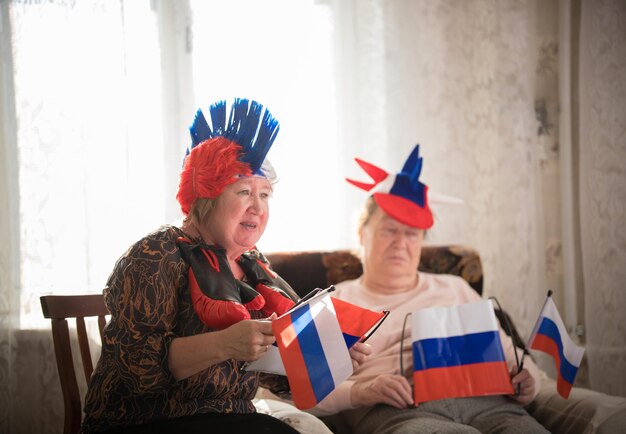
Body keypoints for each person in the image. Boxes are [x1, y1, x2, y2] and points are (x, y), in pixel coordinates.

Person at [81, 99, 366, 434]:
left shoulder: (254, 264)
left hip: (232, 418)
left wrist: (331, 356)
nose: (258, 208)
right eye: (244, 191)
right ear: (205, 198)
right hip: (144, 421)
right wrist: (224, 343)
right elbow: (135, 368)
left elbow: (277, 378)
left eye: (265, 195)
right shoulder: (155, 254)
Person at [311, 144, 550, 434]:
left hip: (490, 402)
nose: (401, 242)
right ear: (362, 233)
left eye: (412, 233)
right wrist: (361, 390)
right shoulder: (335, 301)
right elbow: (297, 394)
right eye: (389, 229)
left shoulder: (455, 288)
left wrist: (529, 381)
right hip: (399, 411)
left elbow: (514, 356)